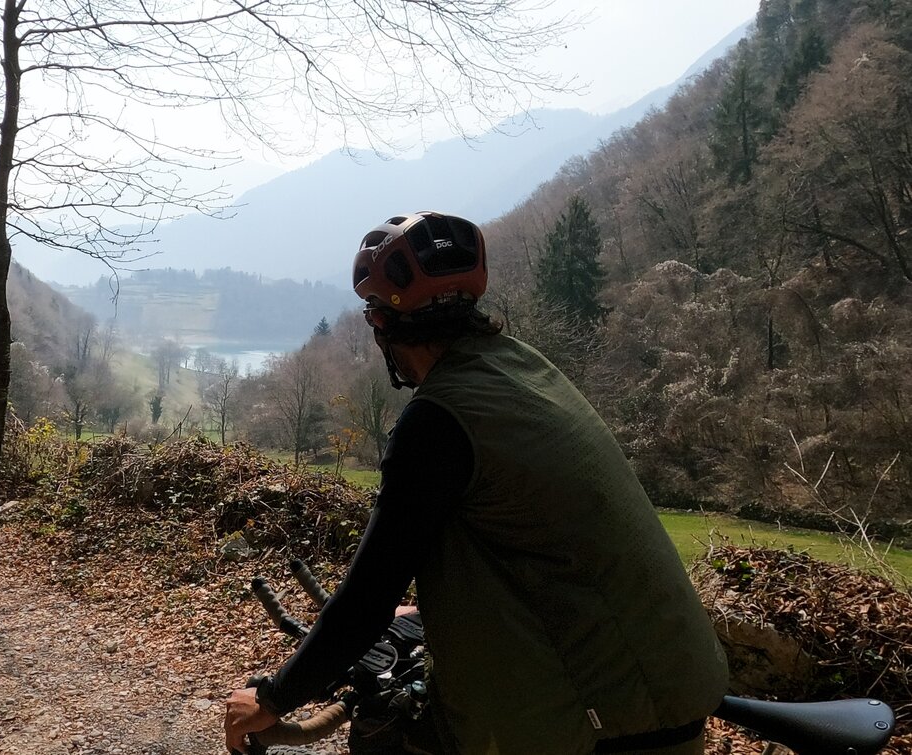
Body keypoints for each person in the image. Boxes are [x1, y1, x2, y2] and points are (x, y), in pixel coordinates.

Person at [224, 211, 729, 755]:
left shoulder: (438, 420)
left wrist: (274, 696)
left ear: (382, 323)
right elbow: (529, 544)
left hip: (608, 717)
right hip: (672, 686)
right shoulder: (520, 367)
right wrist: (426, 615)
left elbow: (369, 596)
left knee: (387, 735)